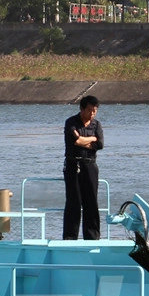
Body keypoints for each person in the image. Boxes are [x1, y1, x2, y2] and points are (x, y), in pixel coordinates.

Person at [63, 95, 104, 240]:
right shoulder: (71, 122)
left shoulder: (96, 125)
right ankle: (70, 237)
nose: (92, 113)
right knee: (73, 201)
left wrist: (87, 140)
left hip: (90, 164)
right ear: (82, 108)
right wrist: (91, 139)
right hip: (73, 165)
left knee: (91, 202)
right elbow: (75, 141)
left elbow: (100, 145)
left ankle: (92, 237)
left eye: (95, 111)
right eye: (89, 110)